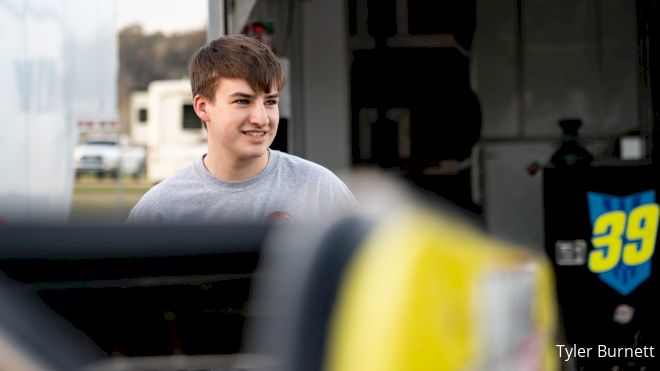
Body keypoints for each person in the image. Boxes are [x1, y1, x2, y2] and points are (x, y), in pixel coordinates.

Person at [127, 35, 356, 224]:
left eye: (270, 102)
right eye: (243, 101)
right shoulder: (159, 211)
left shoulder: (320, 191)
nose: (261, 119)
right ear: (203, 107)